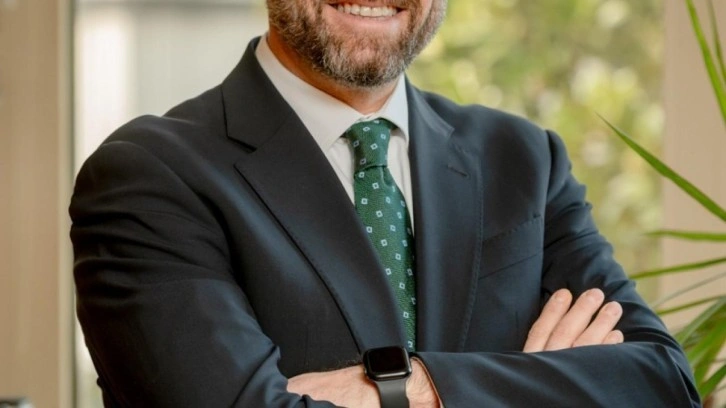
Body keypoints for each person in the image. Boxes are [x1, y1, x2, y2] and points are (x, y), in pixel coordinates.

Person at [69, 0, 700, 407]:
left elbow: (660, 381)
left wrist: (409, 388)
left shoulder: (524, 159)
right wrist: (533, 384)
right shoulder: (150, 175)